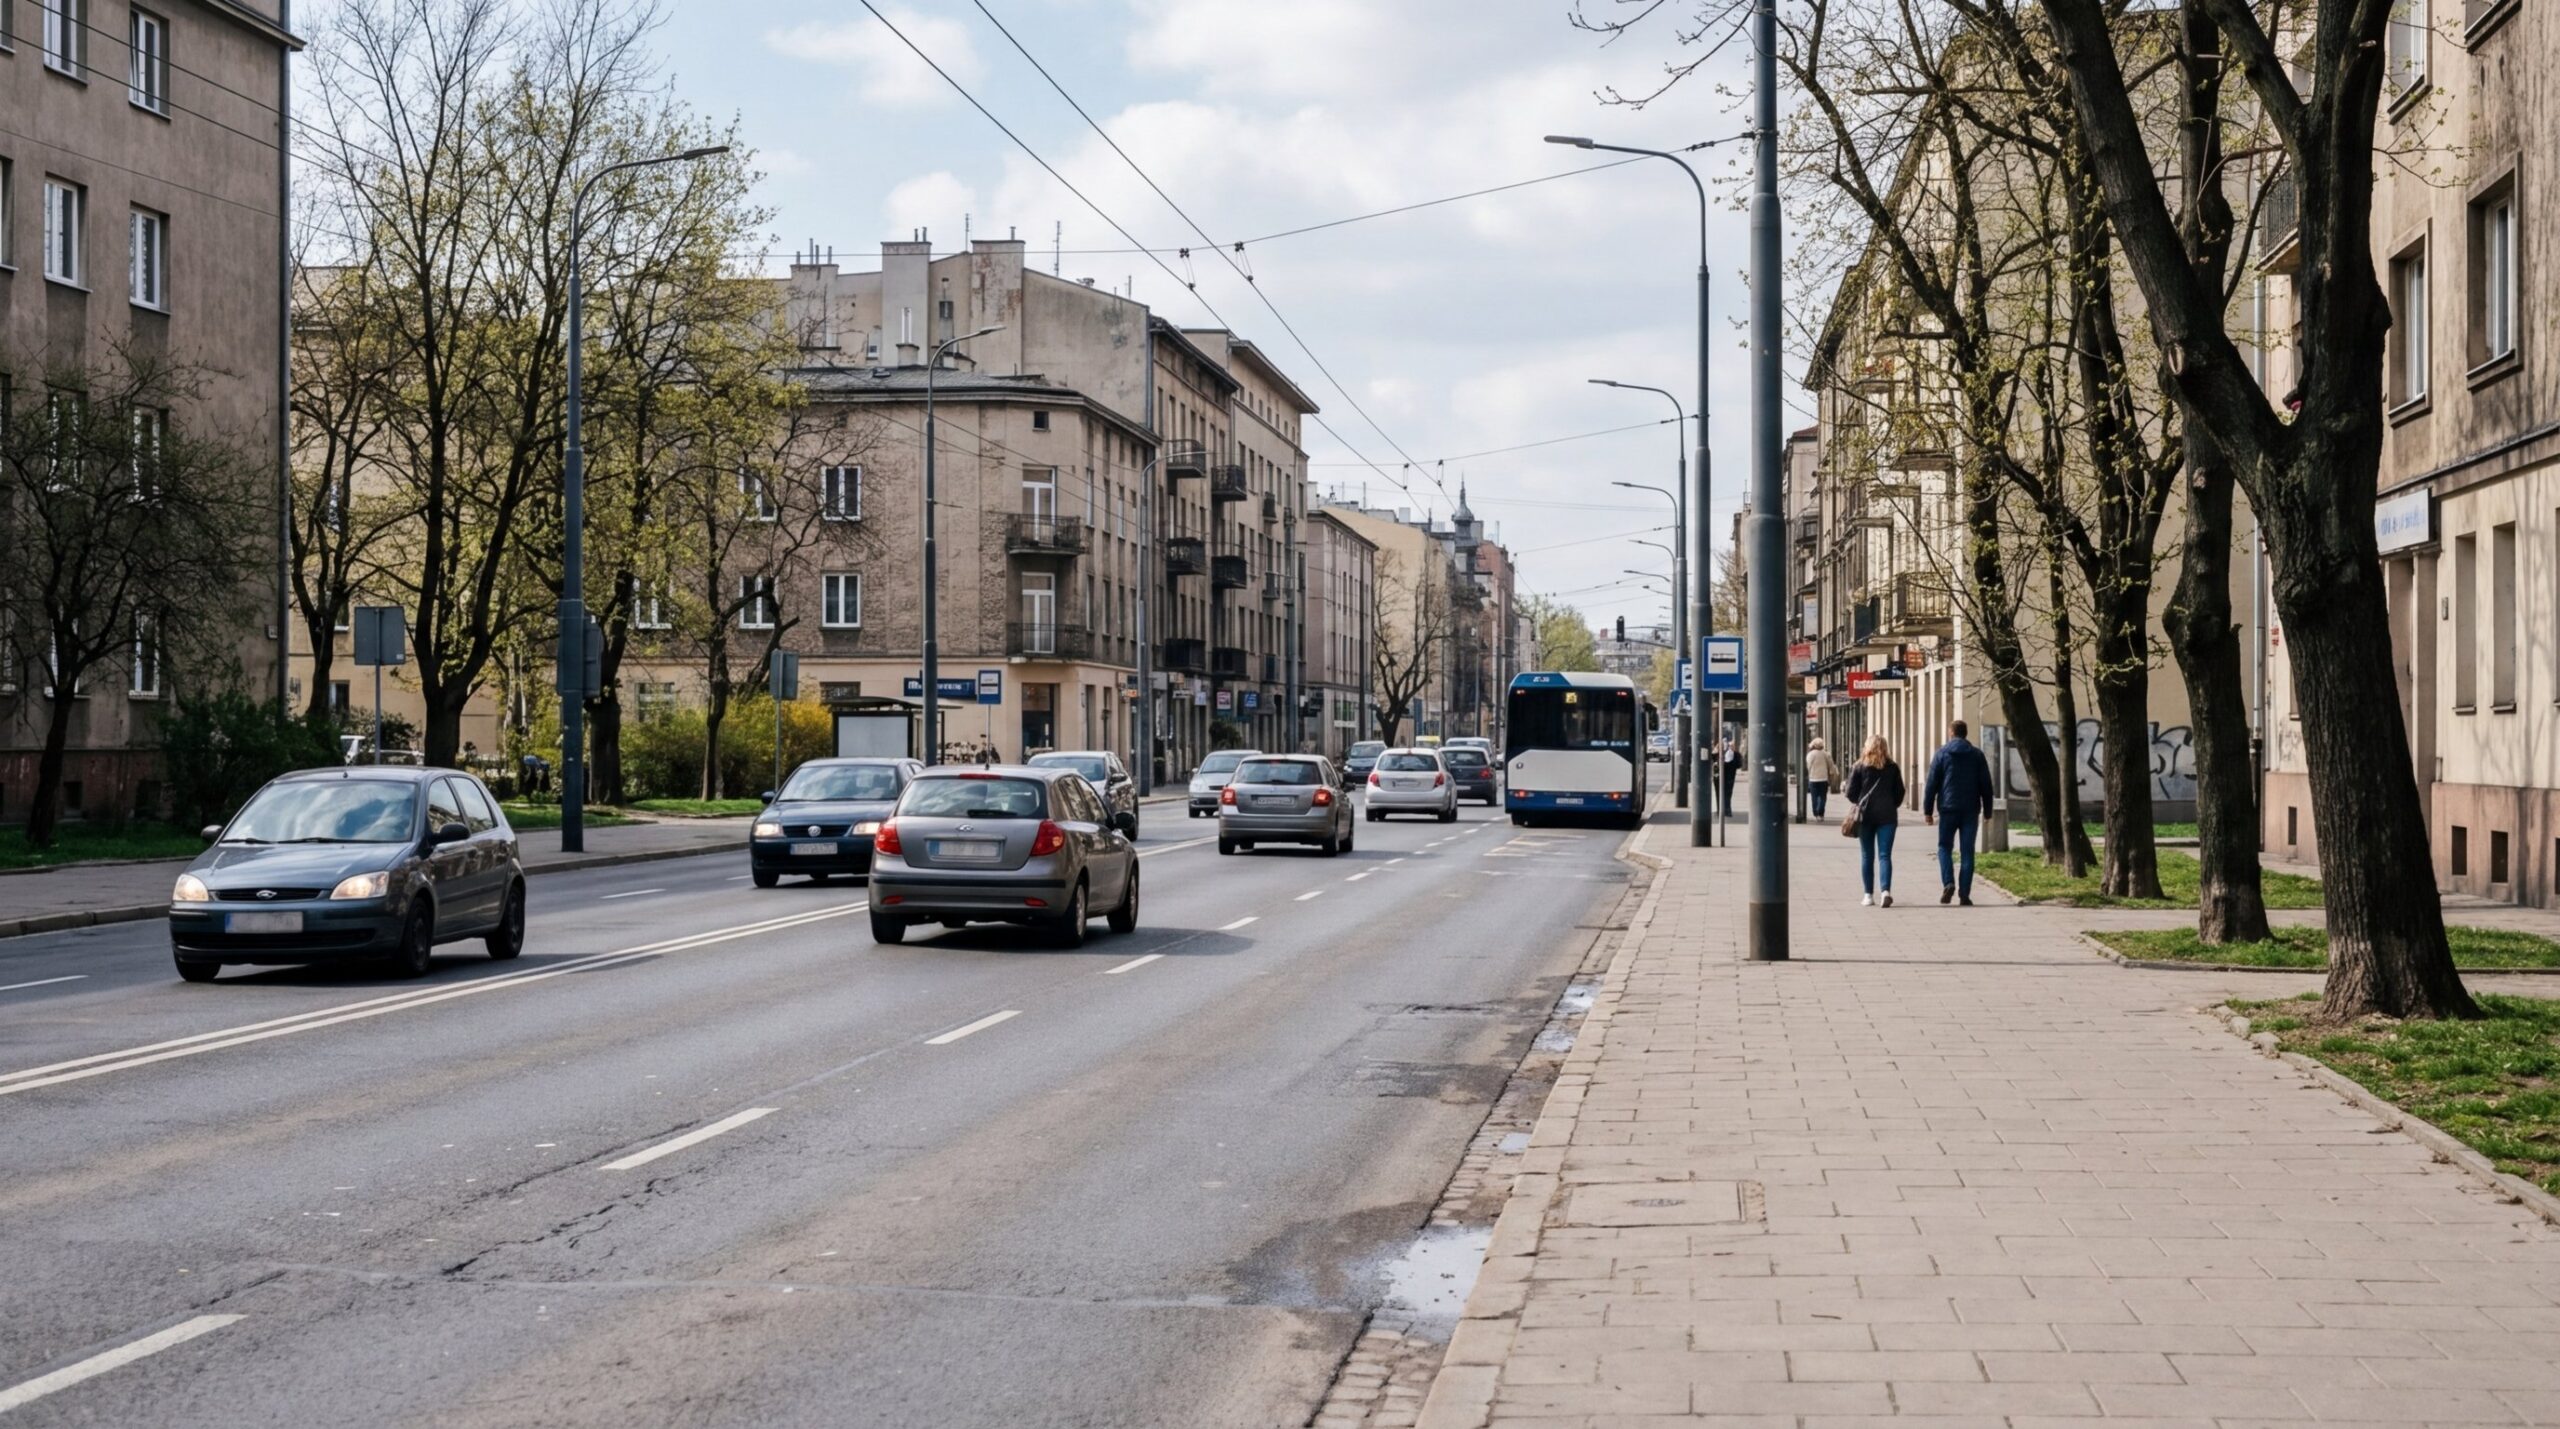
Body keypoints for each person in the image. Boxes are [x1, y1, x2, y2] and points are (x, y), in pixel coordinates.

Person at [1923, 717, 1998, 905]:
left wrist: (1928, 810)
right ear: (1965, 734)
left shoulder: (1942, 754)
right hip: (1970, 810)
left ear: (1951, 733)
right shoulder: (1976, 755)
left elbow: (1931, 783)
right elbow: (1986, 785)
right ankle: (1964, 893)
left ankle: (1948, 882)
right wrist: (1988, 811)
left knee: (1944, 847)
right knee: (1967, 851)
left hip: (1948, 809)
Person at [1843, 735, 1904, 906]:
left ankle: (1868, 895)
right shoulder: (1893, 767)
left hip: (1865, 816)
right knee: (1885, 855)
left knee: (1867, 855)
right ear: (1885, 748)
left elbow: (1850, 792)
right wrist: (1891, 804)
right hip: (1887, 817)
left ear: (1867, 747)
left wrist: (1860, 801)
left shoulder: (1860, 766)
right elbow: (1900, 792)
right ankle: (1885, 891)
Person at [1804, 735, 1833, 819]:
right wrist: (1831, 773)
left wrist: (1807, 774)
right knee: (1823, 796)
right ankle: (1821, 812)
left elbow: (1808, 766)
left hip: (1813, 779)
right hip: (1823, 778)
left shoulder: (1810, 754)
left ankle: (1816, 813)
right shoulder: (1826, 754)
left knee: (1814, 797)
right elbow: (1830, 765)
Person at [1718, 734, 1740, 819]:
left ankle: (1727, 810)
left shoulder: (1733, 754)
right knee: (1724, 794)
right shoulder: (1723, 753)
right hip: (1725, 777)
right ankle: (1724, 810)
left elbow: (1738, 765)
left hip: (1729, 777)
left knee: (1727, 794)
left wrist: (1735, 752)